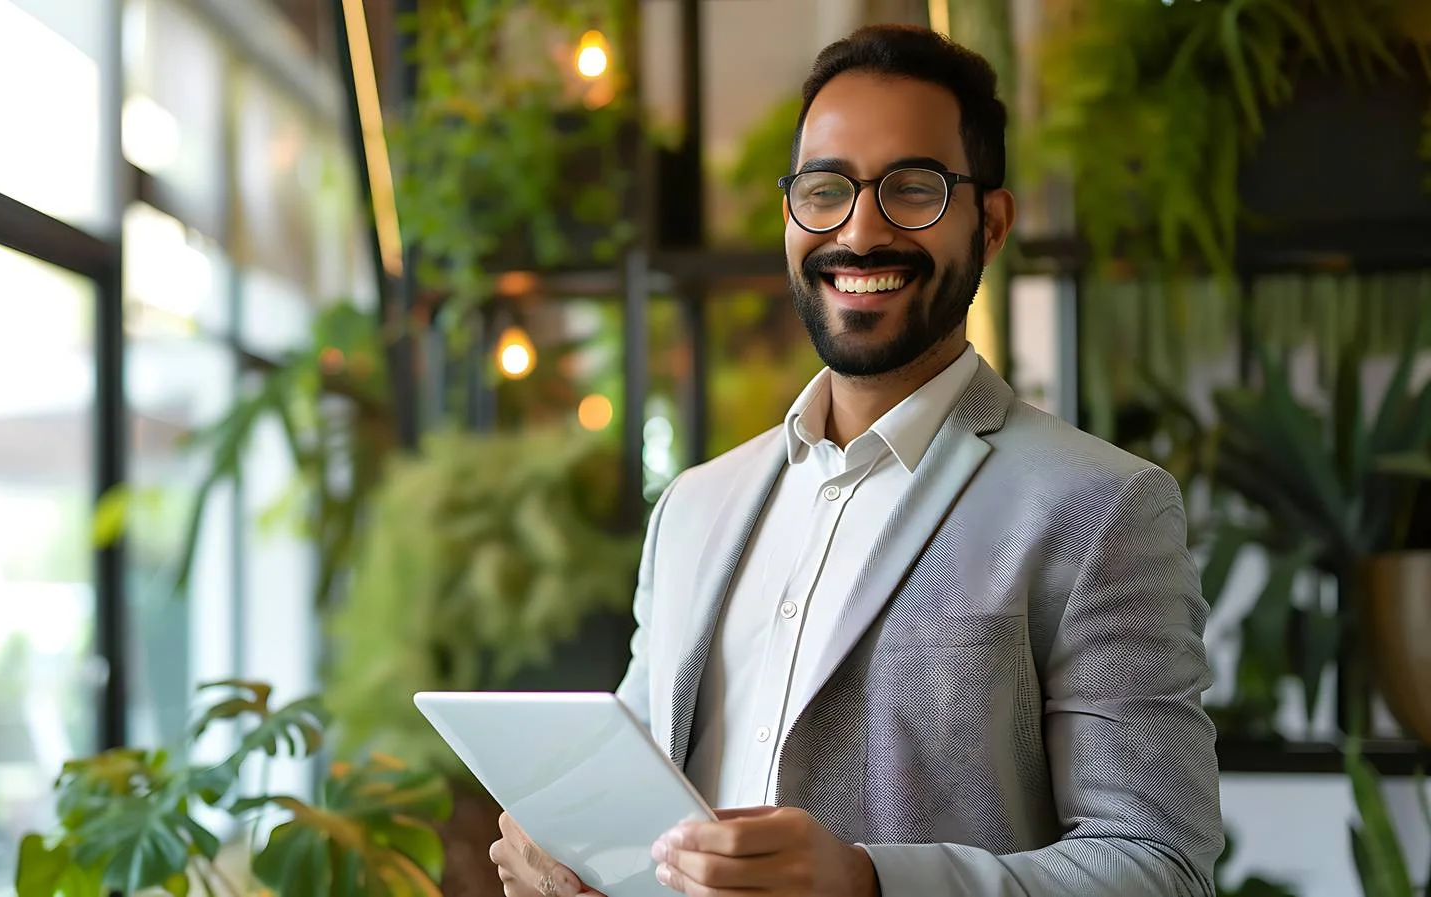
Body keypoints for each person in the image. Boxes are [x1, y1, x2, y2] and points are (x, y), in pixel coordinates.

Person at [490, 22, 1223, 897]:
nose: (860, 232)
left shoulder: (1101, 507)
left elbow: (1157, 863)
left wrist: (870, 883)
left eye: (913, 189)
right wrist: (566, 857)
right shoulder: (693, 505)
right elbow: (641, 812)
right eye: (825, 189)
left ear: (989, 224)